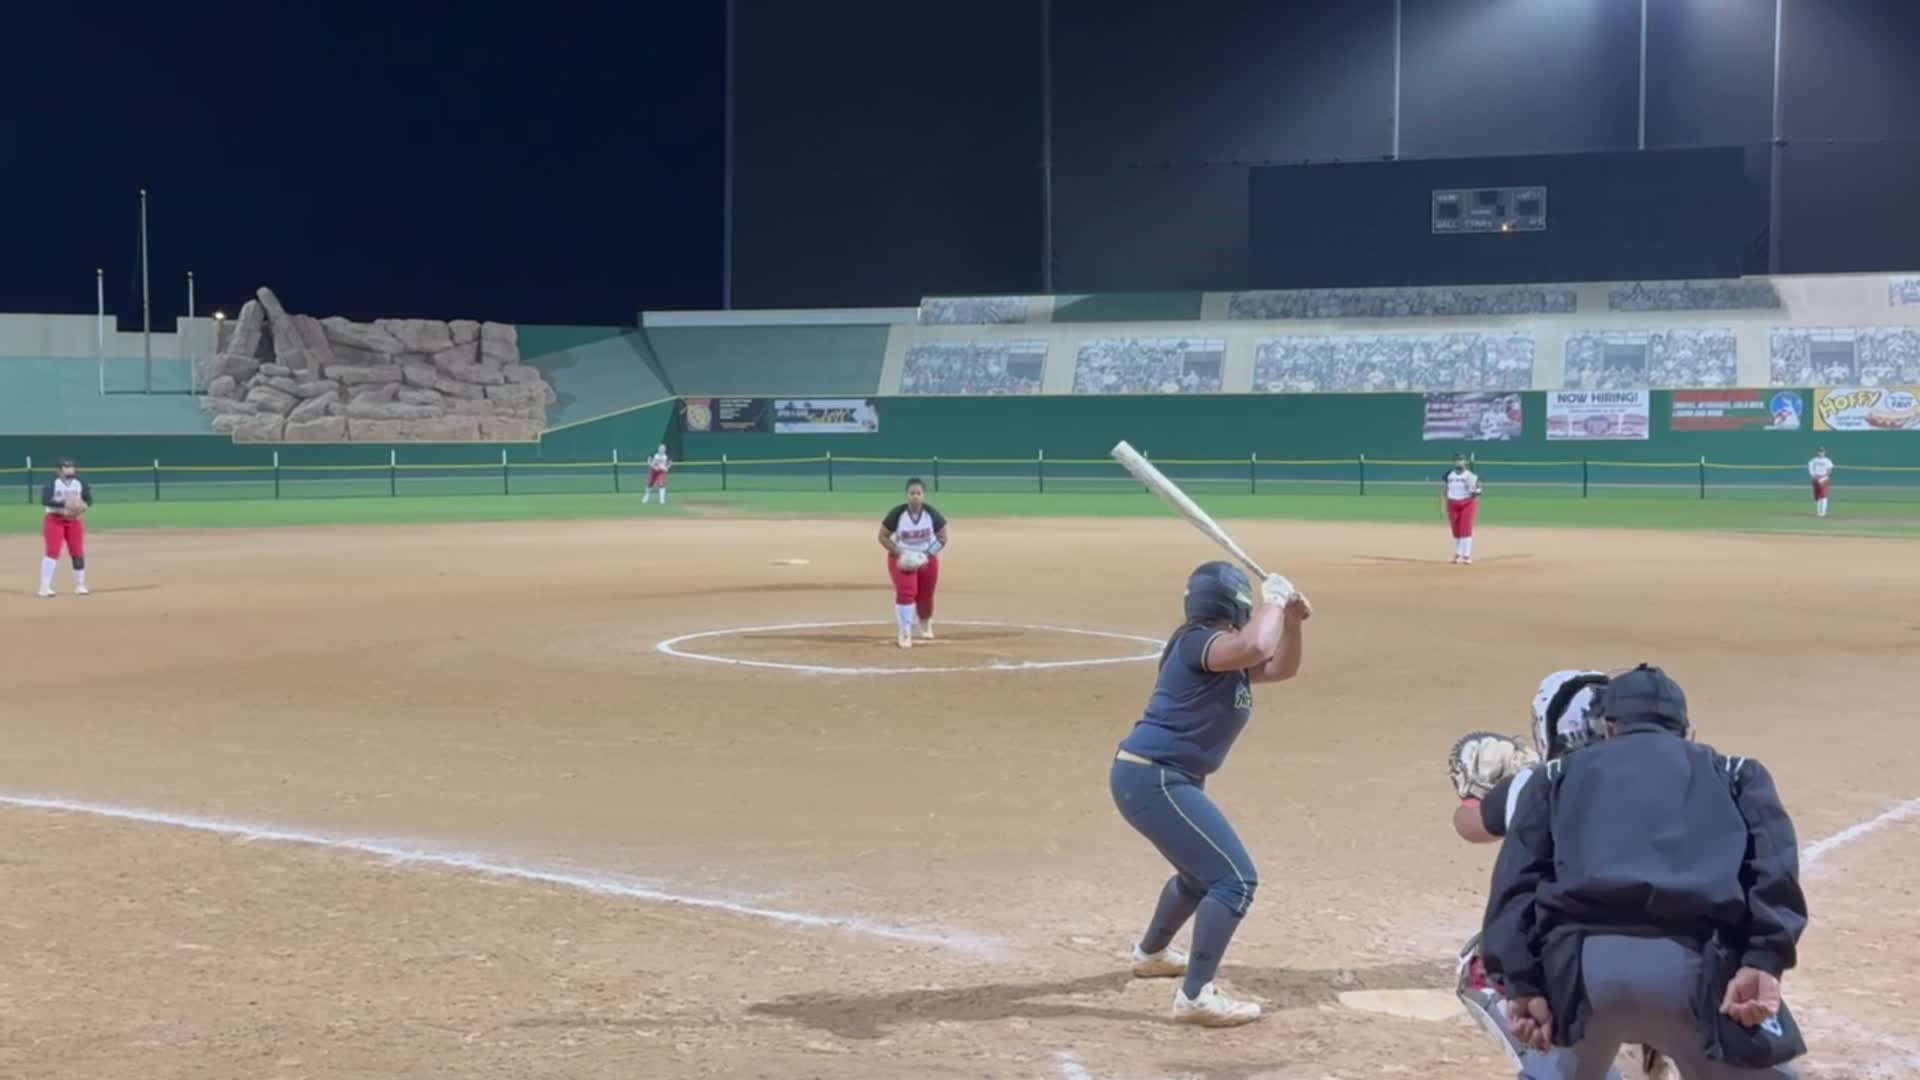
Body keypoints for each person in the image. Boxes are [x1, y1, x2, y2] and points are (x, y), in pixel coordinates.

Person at [1482, 665, 1808, 1079]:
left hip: (1582, 975)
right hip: (1693, 969)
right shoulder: (1737, 774)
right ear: (1685, 730)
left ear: (1609, 727)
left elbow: (1514, 888)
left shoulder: (1553, 777)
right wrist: (1763, 960)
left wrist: (1523, 984)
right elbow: (1775, 872)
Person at [1109, 561, 1312, 1027]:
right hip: (1155, 778)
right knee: (1234, 880)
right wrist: (1274, 600)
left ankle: (1150, 954)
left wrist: (1292, 622)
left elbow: (1280, 666)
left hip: (1157, 778)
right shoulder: (1197, 641)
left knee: (1199, 877)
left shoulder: (1226, 658)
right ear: (1236, 605)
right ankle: (1196, 996)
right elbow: (1256, 645)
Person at [1448, 671, 1638, 1079]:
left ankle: (1564, 1067)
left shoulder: (1536, 784)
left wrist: (1476, 791)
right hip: (1683, 956)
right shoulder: (1673, 776)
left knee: (1483, 966)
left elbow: (1469, 825)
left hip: (1590, 959)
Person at [878, 478, 947, 649]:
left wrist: (926, 554)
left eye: (919, 493)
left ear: (924, 496)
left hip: (926, 557)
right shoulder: (897, 514)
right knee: (906, 591)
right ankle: (905, 631)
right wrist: (899, 552)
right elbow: (882, 536)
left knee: (925, 594)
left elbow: (943, 538)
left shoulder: (931, 514)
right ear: (906, 495)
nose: (915, 496)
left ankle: (925, 622)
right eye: (912, 493)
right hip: (901, 558)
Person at [39, 458, 92, 598]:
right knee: (52, 551)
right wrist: (65, 504)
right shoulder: (53, 483)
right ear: (59, 470)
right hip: (54, 520)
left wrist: (84, 506)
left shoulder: (79, 483)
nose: (69, 469)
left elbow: (88, 499)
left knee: (77, 552)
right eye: (66, 467)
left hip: (74, 521)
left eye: (71, 467)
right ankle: (45, 586)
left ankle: (80, 585)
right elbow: (45, 500)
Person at [1444, 454, 1483, 565]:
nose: (1459, 462)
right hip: (1452, 503)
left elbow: (1480, 489)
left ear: (1465, 462)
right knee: (1456, 530)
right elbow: (1445, 489)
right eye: (1457, 460)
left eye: (1461, 460)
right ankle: (1458, 554)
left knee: (1465, 529)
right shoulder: (1449, 474)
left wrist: (1475, 491)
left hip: (1467, 503)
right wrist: (1442, 505)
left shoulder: (1470, 475)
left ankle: (1466, 555)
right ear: (1454, 462)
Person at [1806, 448, 1832, 518]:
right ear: (1817, 452)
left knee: (1824, 495)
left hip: (1824, 478)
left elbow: (1829, 470)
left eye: (1822, 452)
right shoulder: (1813, 460)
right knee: (1817, 496)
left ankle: (1823, 513)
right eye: (1820, 451)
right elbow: (1810, 468)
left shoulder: (1827, 460)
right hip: (1816, 478)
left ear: (1825, 453)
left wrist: (1824, 477)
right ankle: (1818, 512)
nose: (1821, 453)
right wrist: (1813, 476)